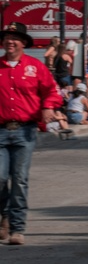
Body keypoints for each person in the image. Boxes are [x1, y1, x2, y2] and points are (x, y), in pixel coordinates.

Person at [0, 24, 61, 245]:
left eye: (16, 38)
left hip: (25, 131)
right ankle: (4, 215)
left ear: (24, 43)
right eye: (7, 37)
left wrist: (48, 107)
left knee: (20, 179)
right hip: (0, 130)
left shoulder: (36, 67)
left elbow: (52, 91)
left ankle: (17, 228)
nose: (11, 41)